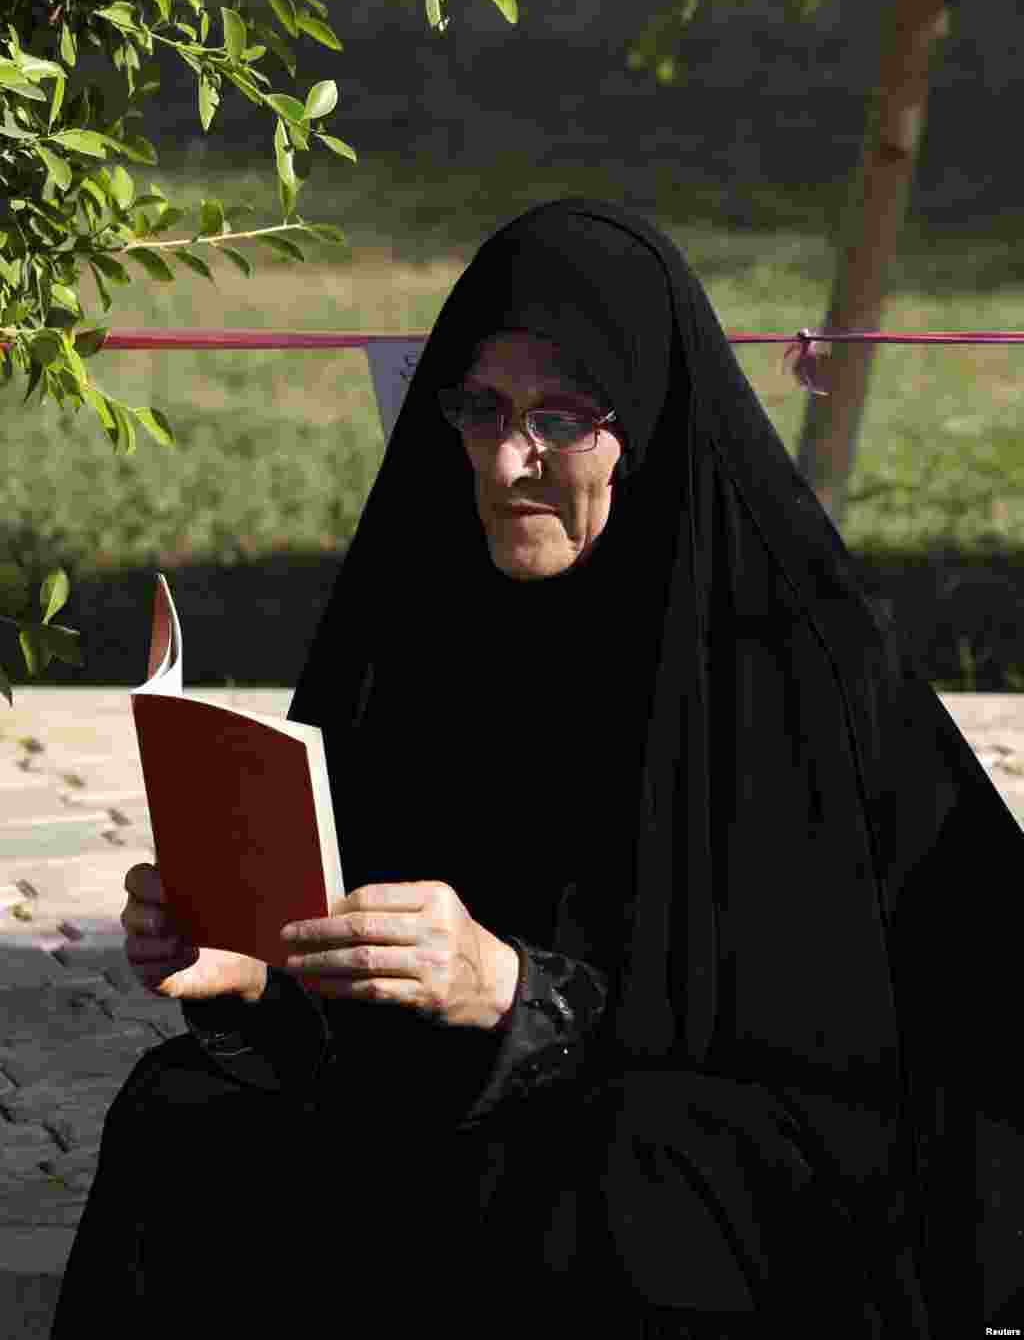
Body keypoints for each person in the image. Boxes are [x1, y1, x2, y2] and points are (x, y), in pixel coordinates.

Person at [51, 198, 1022, 1338]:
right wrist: (255, 973)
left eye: (562, 417)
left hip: (730, 1155)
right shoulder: (412, 636)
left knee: (611, 1180)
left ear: (646, 426)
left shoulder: (787, 663)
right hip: (451, 1113)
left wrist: (521, 997)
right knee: (186, 1116)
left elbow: (820, 1053)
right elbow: (349, 1025)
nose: (511, 460)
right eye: (479, 411)